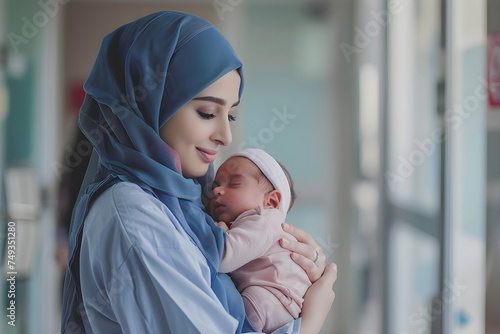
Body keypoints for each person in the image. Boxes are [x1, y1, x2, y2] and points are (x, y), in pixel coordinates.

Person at [61, 11, 336, 334]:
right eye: (207, 112)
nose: (226, 136)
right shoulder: (134, 213)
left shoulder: (183, 200)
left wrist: (291, 268)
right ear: (151, 102)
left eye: (230, 116)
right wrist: (312, 318)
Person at [209, 148, 314, 333]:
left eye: (234, 184)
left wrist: (221, 232)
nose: (217, 190)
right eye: (215, 185)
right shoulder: (253, 224)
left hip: (273, 300)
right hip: (282, 305)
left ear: (271, 202)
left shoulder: (262, 221)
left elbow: (222, 259)